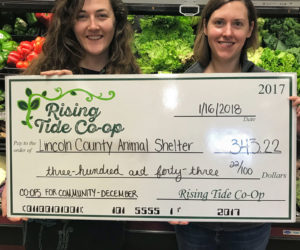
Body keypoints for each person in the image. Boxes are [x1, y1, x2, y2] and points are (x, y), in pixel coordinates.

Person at [1, 0, 140, 249]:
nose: (93, 25)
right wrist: (13, 183)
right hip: (49, 220)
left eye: (102, 16)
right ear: (69, 23)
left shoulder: (131, 79)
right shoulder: (44, 77)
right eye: (81, 16)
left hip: (104, 214)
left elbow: (139, 150)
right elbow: (25, 143)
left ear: (116, 22)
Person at [170, 0, 300, 250]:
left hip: (250, 225)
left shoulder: (271, 89)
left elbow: (283, 154)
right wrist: (166, 201)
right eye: (219, 22)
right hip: (195, 224)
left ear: (249, 29)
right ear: (205, 27)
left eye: (237, 24)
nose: (227, 32)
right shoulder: (182, 86)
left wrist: (297, 125)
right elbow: (166, 152)